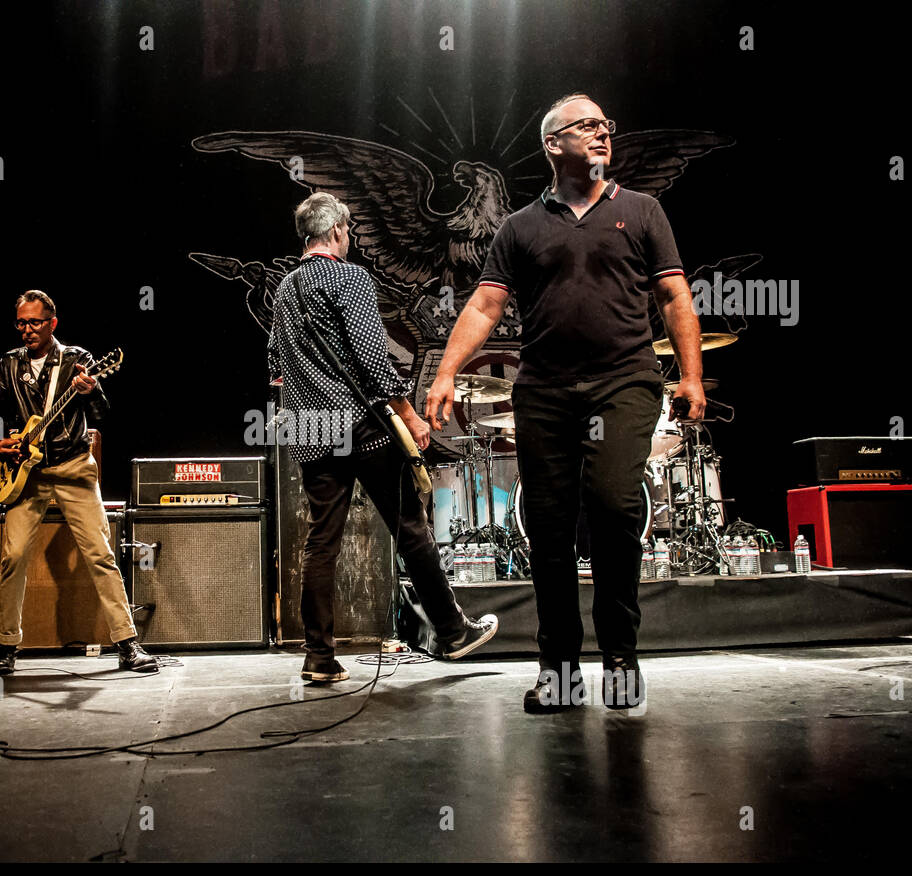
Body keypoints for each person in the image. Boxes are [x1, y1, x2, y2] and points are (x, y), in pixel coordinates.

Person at [425, 94, 706, 712]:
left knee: (613, 508)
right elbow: (484, 305)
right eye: (587, 126)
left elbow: (675, 297)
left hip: (624, 381)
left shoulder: (642, 210)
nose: (603, 133)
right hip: (546, 390)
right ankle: (558, 671)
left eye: (607, 125)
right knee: (548, 530)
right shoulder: (519, 226)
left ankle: (621, 660)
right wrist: (445, 372)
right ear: (553, 144)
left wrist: (692, 376)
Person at [269, 193, 499, 682]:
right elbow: (374, 361)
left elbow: (276, 367)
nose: (349, 238)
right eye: (348, 231)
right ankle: (452, 631)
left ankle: (319, 658)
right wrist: (411, 417)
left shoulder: (286, 288)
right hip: (361, 424)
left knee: (321, 542)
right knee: (411, 530)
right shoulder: (348, 277)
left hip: (309, 427)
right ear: (335, 231)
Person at [0, 289, 158, 675]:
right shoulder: (9, 364)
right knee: (13, 557)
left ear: (53, 323)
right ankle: (6, 646)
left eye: (35, 322)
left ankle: (127, 644)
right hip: (26, 473)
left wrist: (91, 389)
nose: (27, 330)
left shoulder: (78, 360)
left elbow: (102, 413)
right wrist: (2, 443)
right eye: (21, 322)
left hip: (73, 466)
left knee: (100, 552)